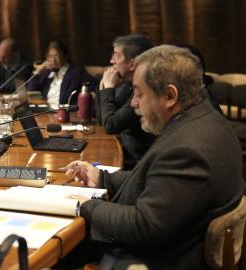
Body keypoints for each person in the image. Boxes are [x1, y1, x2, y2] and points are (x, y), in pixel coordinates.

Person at [62, 45, 244, 269]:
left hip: (156, 261)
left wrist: (85, 206)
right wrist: (102, 178)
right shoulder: (206, 120)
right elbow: (157, 180)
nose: (133, 103)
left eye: (139, 93)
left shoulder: (188, 149)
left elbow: (144, 227)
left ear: (169, 95)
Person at [97, 34, 156, 163]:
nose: (112, 61)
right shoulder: (127, 84)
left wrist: (108, 89)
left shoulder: (145, 88)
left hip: (137, 160)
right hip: (124, 152)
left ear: (132, 63)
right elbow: (102, 119)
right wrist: (104, 87)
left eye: (116, 55)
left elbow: (111, 125)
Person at [27, 40, 97, 108]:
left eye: (56, 56)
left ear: (65, 56)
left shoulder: (76, 72)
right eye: (50, 56)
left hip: (66, 114)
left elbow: (94, 87)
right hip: (47, 112)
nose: (53, 60)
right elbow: (31, 89)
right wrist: (39, 70)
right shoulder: (47, 73)